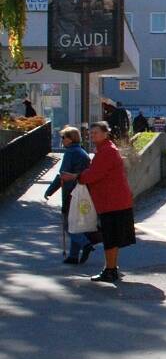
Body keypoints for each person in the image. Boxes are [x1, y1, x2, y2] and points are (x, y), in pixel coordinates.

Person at [61, 121, 135, 283]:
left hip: (112, 201)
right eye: (91, 133)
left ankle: (110, 270)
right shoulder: (106, 150)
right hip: (114, 200)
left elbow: (94, 174)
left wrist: (75, 177)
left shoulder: (107, 151)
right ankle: (111, 268)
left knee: (110, 237)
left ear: (105, 133)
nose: (92, 135)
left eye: (95, 132)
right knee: (111, 237)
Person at [45, 126, 96, 264]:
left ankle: (85, 244)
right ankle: (73, 255)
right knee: (75, 223)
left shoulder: (71, 153)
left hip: (71, 192)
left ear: (70, 138)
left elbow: (63, 174)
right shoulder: (81, 151)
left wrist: (50, 190)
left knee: (69, 225)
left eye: (63, 137)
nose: (62, 140)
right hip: (82, 191)